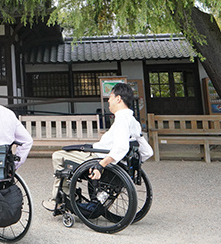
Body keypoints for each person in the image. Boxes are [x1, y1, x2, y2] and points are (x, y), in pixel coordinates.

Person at [43, 82, 153, 210]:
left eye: (110, 97)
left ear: (118, 99)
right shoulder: (133, 121)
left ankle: (60, 199)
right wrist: (128, 164)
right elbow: (147, 152)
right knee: (70, 150)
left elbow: (121, 147)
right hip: (104, 155)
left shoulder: (121, 119)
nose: (108, 101)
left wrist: (102, 165)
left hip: (98, 157)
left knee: (58, 155)